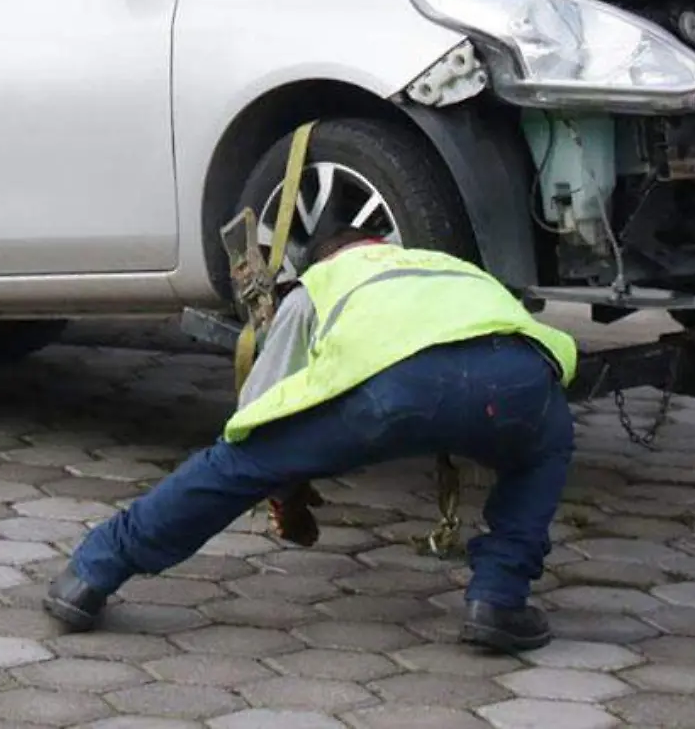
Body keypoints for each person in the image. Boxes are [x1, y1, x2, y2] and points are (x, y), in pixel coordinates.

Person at [43, 224, 581, 654]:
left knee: (237, 464)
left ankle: (93, 572)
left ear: (324, 258)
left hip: (393, 389)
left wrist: (284, 482)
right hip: (519, 379)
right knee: (543, 453)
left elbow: (260, 409)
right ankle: (498, 602)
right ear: (384, 246)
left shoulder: (320, 284)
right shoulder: (451, 268)